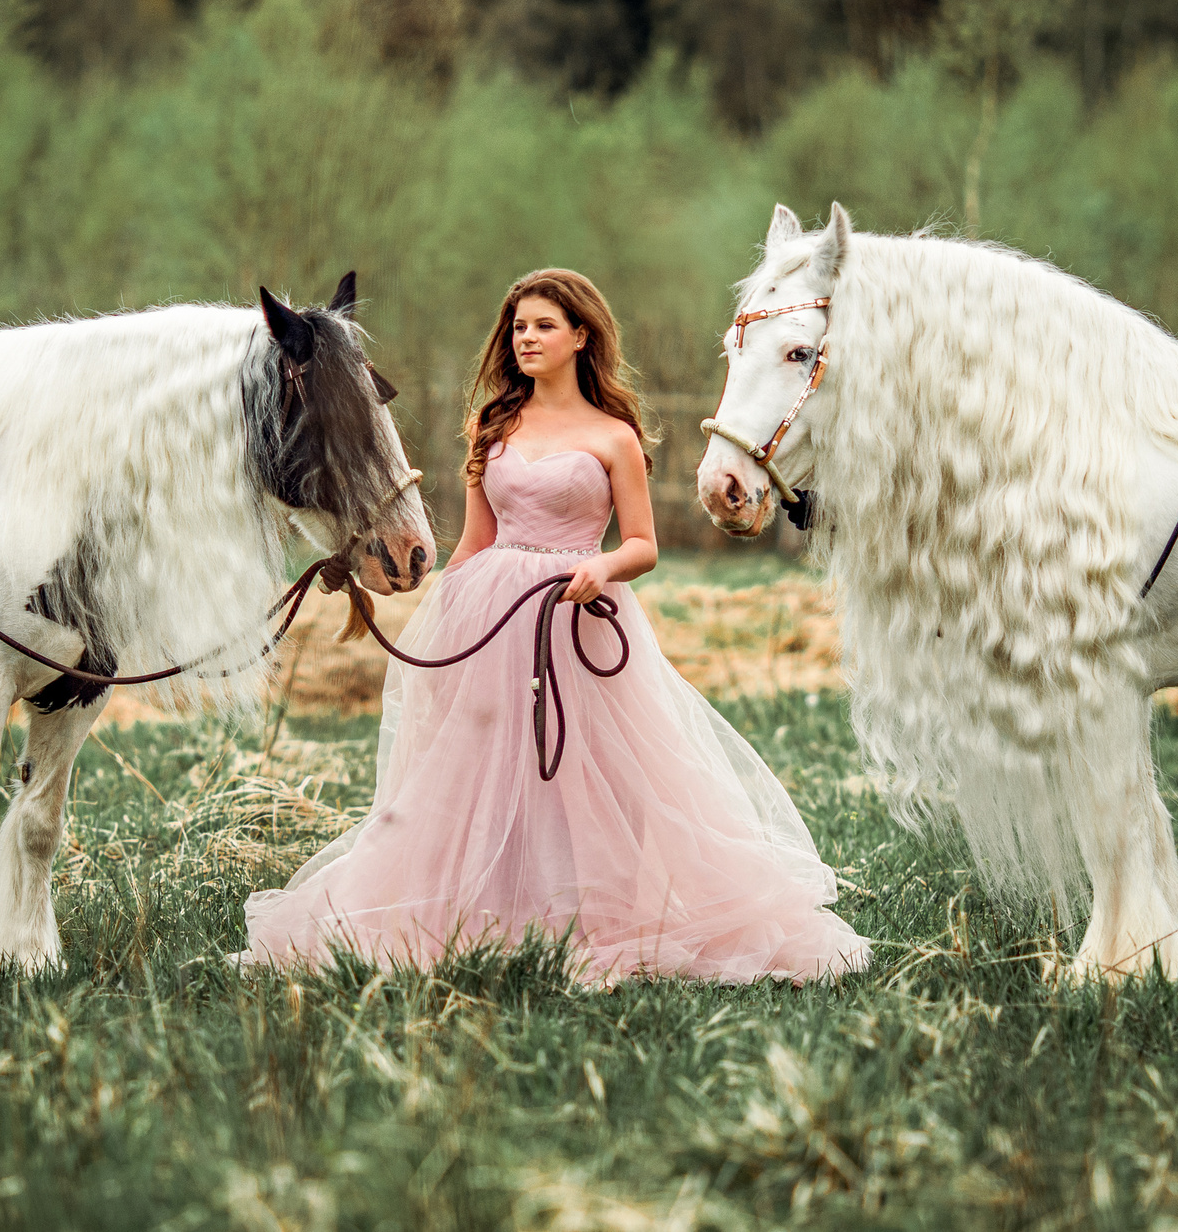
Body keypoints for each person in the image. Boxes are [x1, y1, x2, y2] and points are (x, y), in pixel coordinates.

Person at [237, 269, 870, 986]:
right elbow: (475, 541)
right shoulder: (491, 425)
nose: (526, 338)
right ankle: (490, 908)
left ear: (580, 336)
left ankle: (594, 908)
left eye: (542, 325)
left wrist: (603, 569)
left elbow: (643, 543)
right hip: (493, 614)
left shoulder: (614, 435)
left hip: (578, 618)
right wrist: (438, 616)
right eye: (518, 327)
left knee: (587, 773)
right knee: (482, 769)